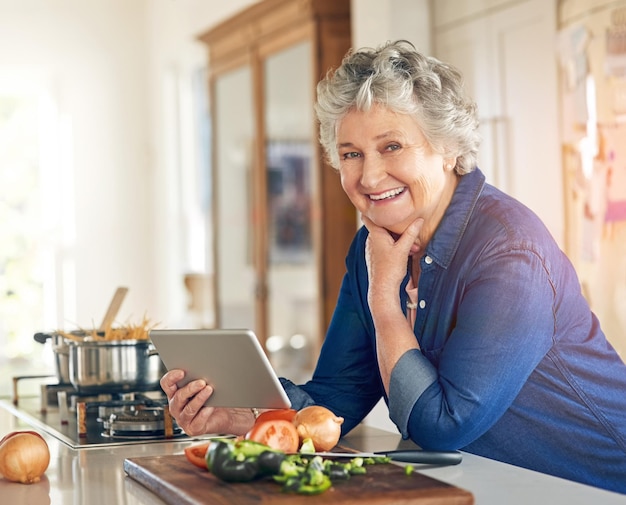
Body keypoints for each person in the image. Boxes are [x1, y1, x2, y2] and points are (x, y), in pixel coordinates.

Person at [161, 40, 626, 494]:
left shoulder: (508, 251)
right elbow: (336, 396)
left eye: (392, 147)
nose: (369, 176)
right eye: (351, 154)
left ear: (447, 149)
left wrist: (385, 300)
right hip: (493, 486)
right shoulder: (374, 246)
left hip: (593, 490)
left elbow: (442, 426)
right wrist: (243, 416)